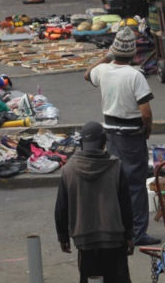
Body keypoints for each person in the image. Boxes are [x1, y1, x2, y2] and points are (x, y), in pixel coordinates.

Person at [84, 28, 159, 246]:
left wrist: (106, 57)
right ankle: (137, 232)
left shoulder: (104, 71)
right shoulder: (135, 76)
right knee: (135, 183)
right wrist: (148, 129)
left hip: (111, 132)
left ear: (114, 51)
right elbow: (145, 112)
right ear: (134, 54)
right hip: (131, 135)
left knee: (117, 181)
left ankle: (117, 227)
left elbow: (88, 73)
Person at [55, 121, 134, 283]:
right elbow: (125, 205)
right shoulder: (116, 167)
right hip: (114, 239)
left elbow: (61, 208)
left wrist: (62, 236)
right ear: (104, 142)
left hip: (85, 241)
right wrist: (129, 235)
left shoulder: (68, 170)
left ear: (82, 143)